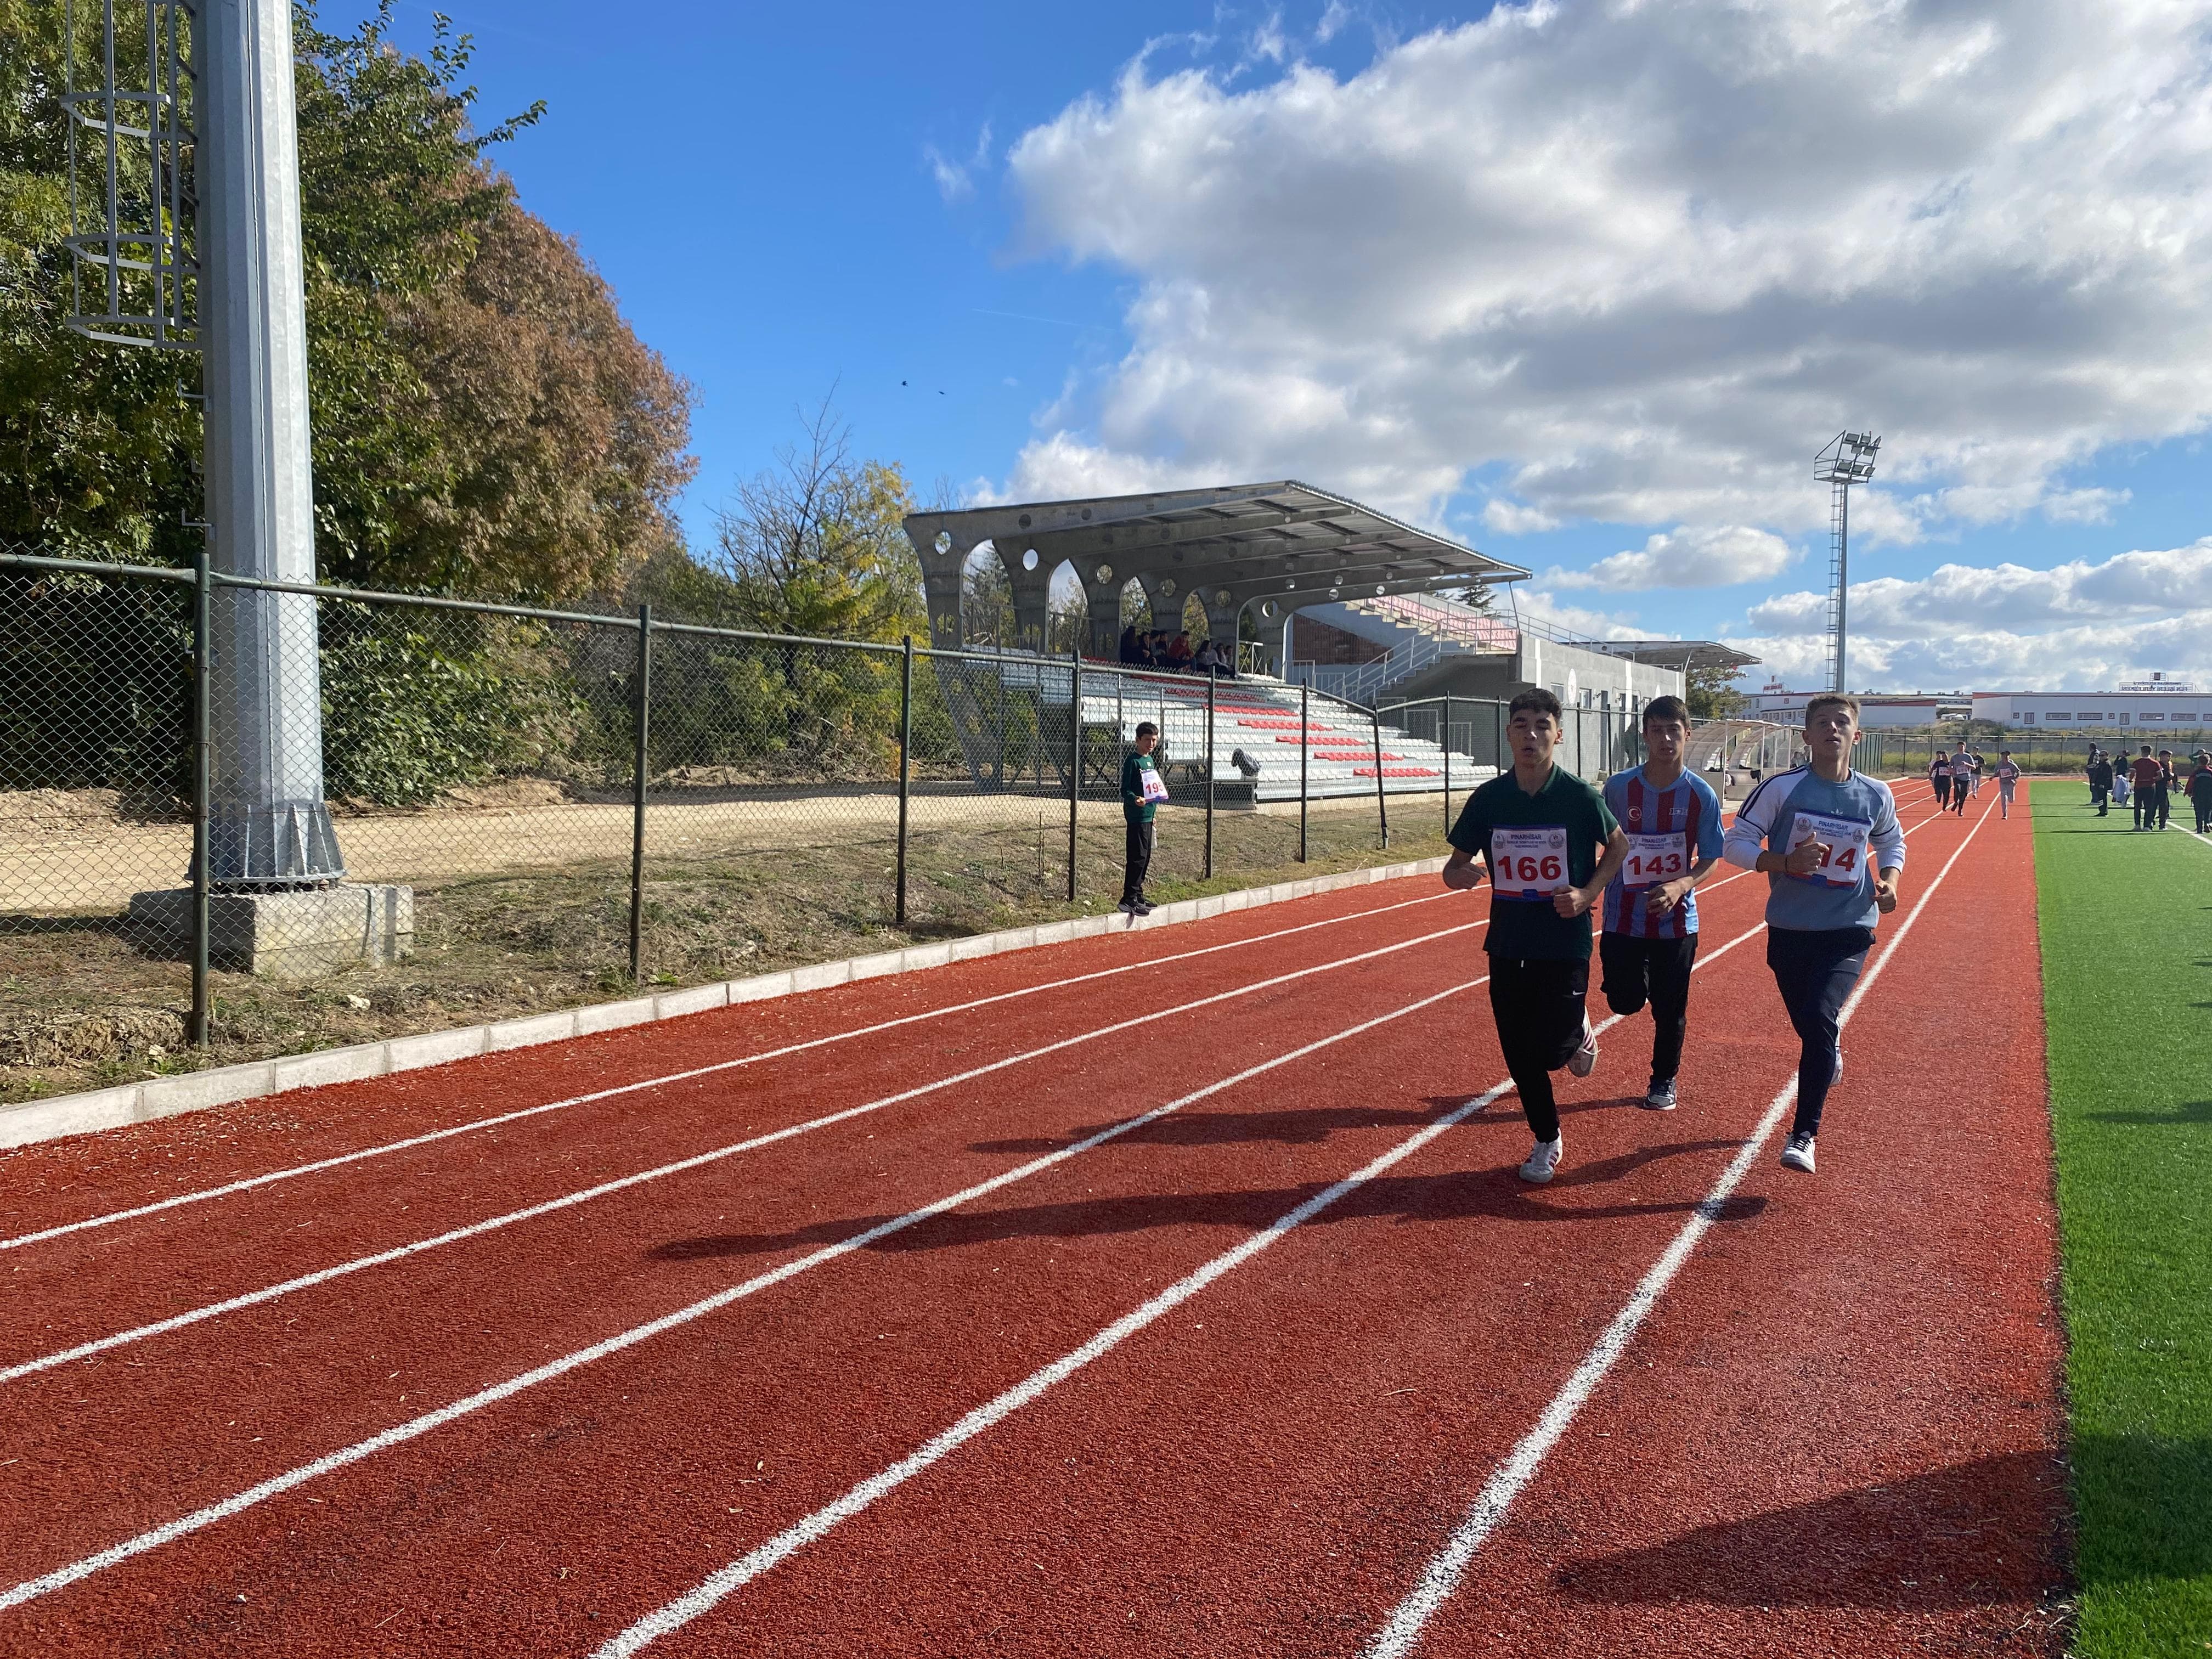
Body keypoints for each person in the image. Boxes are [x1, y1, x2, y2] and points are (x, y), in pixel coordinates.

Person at [1443, 688, 1629, 1184]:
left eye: (1542, 725)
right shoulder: (1489, 799)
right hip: (1507, 941)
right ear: (1507, 734)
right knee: (1518, 1050)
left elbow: (1619, 847)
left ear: (1558, 734)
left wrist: (1589, 894)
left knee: (1551, 1052)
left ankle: (1579, 1032)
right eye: (1521, 724)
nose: (1531, 734)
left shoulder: (1579, 796)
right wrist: (1457, 874)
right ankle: (1547, 1138)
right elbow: (1454, 865)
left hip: (1564, 941)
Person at [1722, 694, 1905, 1175]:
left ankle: (1804, 1133)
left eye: (1841, 723)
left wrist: (1889, 883)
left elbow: (1892, 841)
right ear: (1807, 736)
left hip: (1849, 926)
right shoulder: (1783, 790)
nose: (1832, 729)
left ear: (1856, 735)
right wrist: (1783, 863)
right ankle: (1829, 1046)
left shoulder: (1875, 794)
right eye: (1821, 723)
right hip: (1791, 926)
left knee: (1821, 1016)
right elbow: (1735, 845)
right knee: (1810, 1022)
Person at [1599, 695, 1725, 1111]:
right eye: (1658, 730)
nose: (1666, 739)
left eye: (1674, 731)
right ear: (1645, 734)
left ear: (1687, 735)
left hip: (1677, 923)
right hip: (1622, 917)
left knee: (1671, 1010)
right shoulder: (1619, 789)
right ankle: (1640, 981)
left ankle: (1663, 1080)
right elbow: (1598, 842)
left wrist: (1682, 885)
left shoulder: (1700, 795)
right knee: (1624, 1001)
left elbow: (1711, 857)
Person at [1120, 721, 1166, 916]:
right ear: (1138, 740)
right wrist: (1134, 799)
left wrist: (1153, 814)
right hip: (1136, 816)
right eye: (1147, 740)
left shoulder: (1150, 761)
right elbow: (1125, 790)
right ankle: (1128, 898)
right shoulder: (1133, 761)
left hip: (1148, 816)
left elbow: (1152, 790)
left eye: (1154, 740)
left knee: (1146, 856)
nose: (1151, 744)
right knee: (1137, 857)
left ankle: (1138, 894)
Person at [2131, 745, 2162, 830]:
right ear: (2151, 752)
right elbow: (2160, 776)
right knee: (2149, 806)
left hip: (2139, 786)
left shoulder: (2136, 762)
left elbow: (2132, 774)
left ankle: (2137, 825)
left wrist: (2130, 780)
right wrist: (2153, 780)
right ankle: (2147, 826)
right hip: (2150, 787)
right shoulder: (2155, 763)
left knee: (2137, 806)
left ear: (2142, 752)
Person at [1995, 750, 2022, 820]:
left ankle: (2012, 797)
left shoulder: (2012, 765)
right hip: (2003, 783)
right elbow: (1998, 773)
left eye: (2007, 756)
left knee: (2011, 800)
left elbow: (2019, 772)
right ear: (2002, 757)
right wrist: (1993, 777)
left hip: (2010, 783)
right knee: (2004, 798)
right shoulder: (1999, 765)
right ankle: (2005, 814)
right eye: (2004, 756)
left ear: (2009, 757)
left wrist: (2014, 778)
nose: (2005, 758)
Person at [1947, 744, 1973, 816]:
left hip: (1966, 778)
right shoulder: (1954, 757)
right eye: (1959, 747)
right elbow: (1950, 768)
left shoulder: (1968, 756)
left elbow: (1974, 767)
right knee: (1957, 789)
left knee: (1963, 794)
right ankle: (1956, 802)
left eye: (1962, 747)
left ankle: (1960, 808)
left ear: (1965, 748)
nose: (1961, 748)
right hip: (1957, 777)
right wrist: (1952, 770)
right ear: (1957, 748)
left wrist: (1966, 764)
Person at [2189, 754, 2212, 834]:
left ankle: (2199, 828)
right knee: (2208, 810)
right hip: (2209, 795)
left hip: (2198, 795)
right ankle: (2207, 824)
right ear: (2208, 762)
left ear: (2199, 762)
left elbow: (2191, 782)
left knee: (2198, 812)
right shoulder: (2210, 772)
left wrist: (2188, 791)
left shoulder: (2196, 772)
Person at [2087, 750, 2114, 816]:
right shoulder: (2101, 763)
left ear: (2107, 756)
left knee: (2102, 798)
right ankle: (2102, 811)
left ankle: (2103, 812)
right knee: (2100, 798)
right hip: (2098, 783)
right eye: (2100, 755)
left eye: (2102, 756)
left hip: (2102, 784)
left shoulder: (2106, 764)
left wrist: (2103, 784)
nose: (2101, 757)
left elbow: (2107, 776)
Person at [2156, 750, 2178, 830]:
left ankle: (2162, 825)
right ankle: (2150, 824)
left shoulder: (2168, 765)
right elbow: (2166, 775)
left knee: (2165, 807)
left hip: (2163, 788)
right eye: (2167, 756)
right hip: (2157, 788)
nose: (2169, 758)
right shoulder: (2158, 765)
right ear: (2162, 756)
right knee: (2155, 806)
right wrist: (2172, 776)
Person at [1928, 748, 1952, 812]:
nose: (1944, 757)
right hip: (1938, 779)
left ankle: (1945, 806)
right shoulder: (1938, 763)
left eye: (1945, 756)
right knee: (1938, 791)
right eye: (1943, 756)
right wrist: (1930, 775)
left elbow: (1954, 771)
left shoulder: (1951, 763)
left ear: (1948, 756)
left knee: (1946, 794)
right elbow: (1933, 768)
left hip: (1947, 780)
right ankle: (1938, 797)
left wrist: (1950, 769)